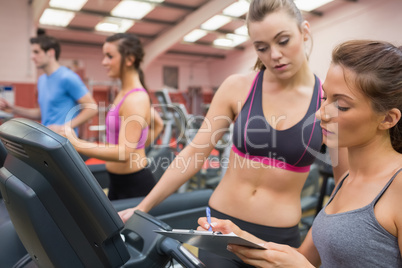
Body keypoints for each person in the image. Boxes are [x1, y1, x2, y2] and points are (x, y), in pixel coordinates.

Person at [118, 0, 347, 266]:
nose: (274, 55)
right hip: (221, 229)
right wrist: (143, 206)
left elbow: (343, 187)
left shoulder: (326, 101)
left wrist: (307, 253)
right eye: (262, 48)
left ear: (304, 31)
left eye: (283, 41)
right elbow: (195, 151)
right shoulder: (237, 87)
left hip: (279, 238)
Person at [198, 39, 402, 267]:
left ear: (387, 118)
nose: (320, 114)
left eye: (341, 106)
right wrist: (240, 238)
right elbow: (304, 258)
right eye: (325, 98)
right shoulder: (347, 179)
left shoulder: (398, 186)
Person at [59, 33, 163, 200]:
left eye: (109, 56)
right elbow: (158, 124)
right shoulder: (125, 93)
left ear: (129, 59)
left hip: (134, 185)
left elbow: (124, 153)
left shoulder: (135, 99)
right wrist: (139, 147)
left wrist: (76, 143)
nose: (104, 62)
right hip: (118, 181)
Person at [0, 30, 98, 134]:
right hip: (46, 141)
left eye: (36, 52)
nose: (32, 57)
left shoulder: (67, 77)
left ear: (50, 53)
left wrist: (64, 127)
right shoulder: (41, 80)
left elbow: (92, 108)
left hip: (64, 142)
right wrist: (13, 109)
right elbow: (42, 113)